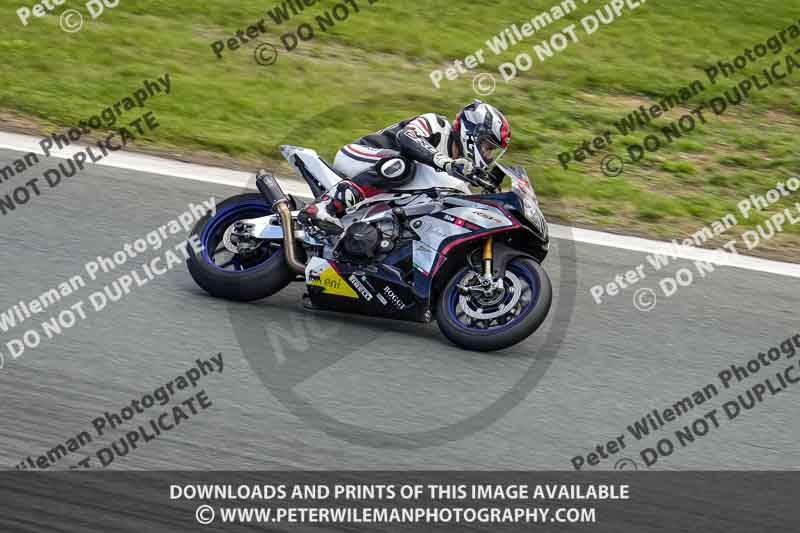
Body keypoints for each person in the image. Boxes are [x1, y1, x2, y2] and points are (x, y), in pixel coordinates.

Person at [298, 100, 511, 234]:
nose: (488, 155)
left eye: (492, 151)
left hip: (385, 188)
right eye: (487, 147)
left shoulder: (459, 172)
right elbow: (406, 138)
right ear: (471, 134)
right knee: (402, 166)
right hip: (361, 155)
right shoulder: (436, 124)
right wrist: (446, 163)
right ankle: (326, 206)